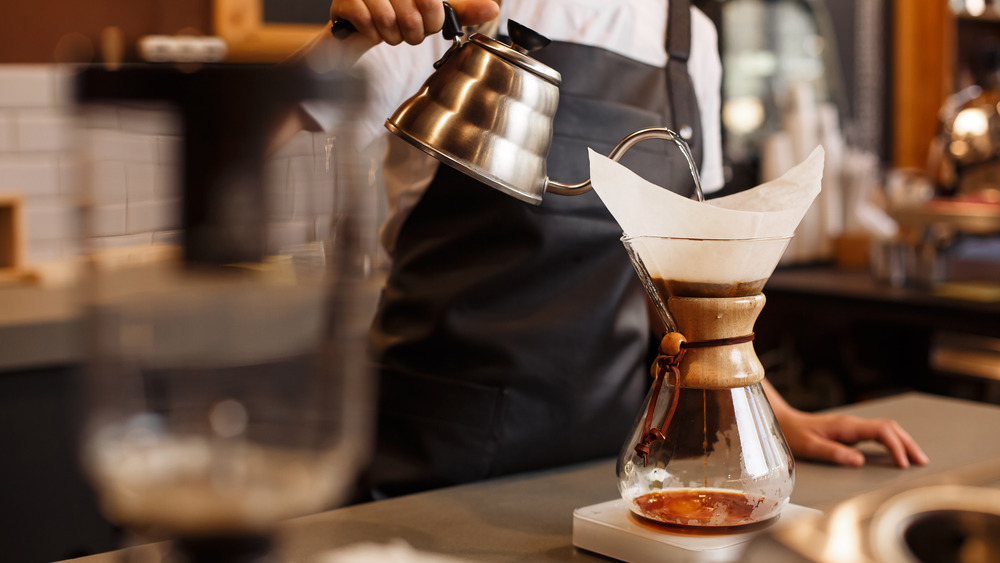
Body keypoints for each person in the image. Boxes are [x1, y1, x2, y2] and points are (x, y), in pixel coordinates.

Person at [317, 0, 928, 497]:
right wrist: (345, 39)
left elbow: (686, 284)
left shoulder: (688, 39)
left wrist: (777, 416)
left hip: (613, 465)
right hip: (431, 457)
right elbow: (235, 163)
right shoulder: (445, 7)